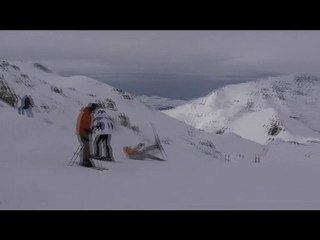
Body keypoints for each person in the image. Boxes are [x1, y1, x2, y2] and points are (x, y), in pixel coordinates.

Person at [76, 103, 97, 167]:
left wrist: (91, 129)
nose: (95, 109)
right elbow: (81, 123)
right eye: (94, 108)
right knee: (86, 146)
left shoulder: (89, 113)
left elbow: (89, 123)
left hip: (86, 132)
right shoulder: (85, 113)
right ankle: (85, 161)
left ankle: (87, 160)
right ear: (92, 107)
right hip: (82, 132)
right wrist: (86, 129)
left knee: (88, 146)